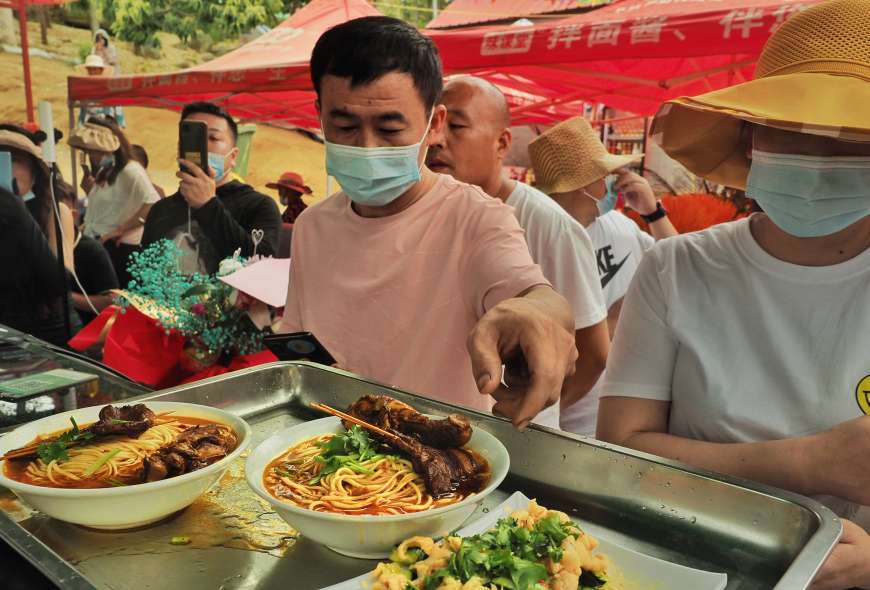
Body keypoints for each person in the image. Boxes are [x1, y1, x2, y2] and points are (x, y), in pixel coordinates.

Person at [594, 2, 870, 588]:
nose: (818, 159)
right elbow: (620, 450)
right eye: (789, 129)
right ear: (749, 136)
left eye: (854, 137)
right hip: (685, 567)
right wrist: (808, 462)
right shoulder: (676, 267)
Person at [279, 17, 577, 430]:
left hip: (439, 467)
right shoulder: (312, 227)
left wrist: (539, 314)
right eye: (344, 127)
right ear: (320, 116)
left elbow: (534, 294)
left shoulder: (475, 218)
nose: (367, 147)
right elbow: (299, 348)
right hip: (334, 455)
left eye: (390, 128)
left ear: (434, 125)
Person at [428, 76, 608, 429]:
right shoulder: (428, 214)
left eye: (457, 125)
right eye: (434, 124)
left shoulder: (549, 226)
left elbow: (594, 353)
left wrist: (536, 414)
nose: (438, 139)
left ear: (502, 143)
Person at [528, 116, 678, 436]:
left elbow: (678, 264)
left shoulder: (619, 227)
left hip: (622, 412)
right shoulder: (535, 241)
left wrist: (653, 213)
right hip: (559, 420)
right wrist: (547, 416)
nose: (612, 185)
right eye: (607, 177)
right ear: (586, 186)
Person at [141, 102, 281, 274]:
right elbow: (143, 275)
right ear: (180, 149)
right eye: (192, 140)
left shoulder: (258, 206)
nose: (203, 147)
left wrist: (208, 205)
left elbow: (261, 267)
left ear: (233, 156)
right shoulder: (160, 210)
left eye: (213, 138)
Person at [0, 130, 80, 345]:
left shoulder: (55, 211)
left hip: (52, 335)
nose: (5, 166)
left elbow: (60, 283)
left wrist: (19, 216)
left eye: (14, 159)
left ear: (35, 173)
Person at [72, 118, 160, 287]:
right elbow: (110, 206)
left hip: (120, 250)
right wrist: (89, 191)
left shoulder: (131, 170)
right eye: (89, 151)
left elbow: (152, 203)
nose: (92, 156)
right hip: (102, 245)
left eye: (95, 151)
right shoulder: (108, 171)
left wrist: (120, 230)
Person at [77, 55, 126, 128]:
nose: (92, 72)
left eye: (95, 69)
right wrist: (80, 124)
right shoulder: (85, 88)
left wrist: (120, 122)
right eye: (90, 69)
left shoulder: (109, 86)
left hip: (106, 121)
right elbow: (82, 110)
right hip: (89, 122)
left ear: (101, 70)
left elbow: (118, 105)